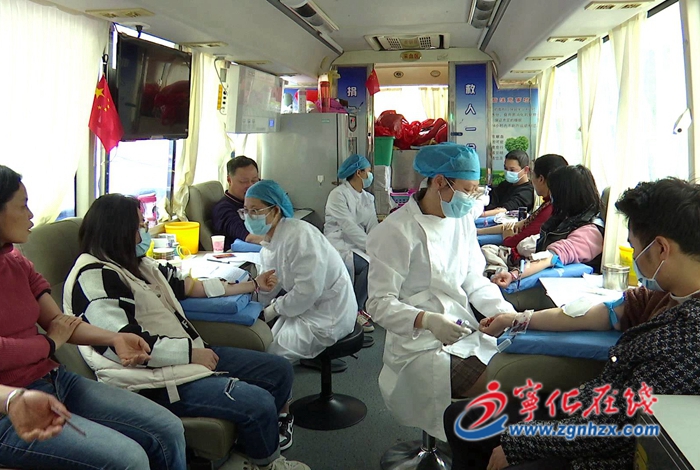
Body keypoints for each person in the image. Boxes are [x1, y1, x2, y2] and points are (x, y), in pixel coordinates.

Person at [444, 177, 700, 469]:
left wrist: (519, 443)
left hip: (616, 445)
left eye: (635, 248)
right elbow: (602, 313)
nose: (634, 259)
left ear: (662, 249)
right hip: (595, 408)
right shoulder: (666, 294)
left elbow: (621, 427)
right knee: (462, 419)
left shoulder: (688, 336)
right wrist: (516, 319)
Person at [63, 194, 308, 470]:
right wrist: (191, 354)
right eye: (140, 226)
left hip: (184, 355)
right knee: (258, 402)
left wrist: (252, 284)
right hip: (151, 381)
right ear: (119, 231)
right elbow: (126, 347)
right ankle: (266, 464)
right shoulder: (96, 277)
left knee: (279, 370)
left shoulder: (138, 265)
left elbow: (189, 286)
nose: (145, 232)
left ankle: (247, 450)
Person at [0, 165, 187, 470]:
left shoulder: (17, 261)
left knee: (168, 428)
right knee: (129, 460)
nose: (31, 215)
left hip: (53, 380)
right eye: (22, 206)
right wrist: (49, 345)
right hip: (9, 410)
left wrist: (114, 338)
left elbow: (60, 324)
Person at [366, 143, 517, 441]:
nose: (471, 199)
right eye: (467, 190)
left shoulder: (461, 221)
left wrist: (504, 313)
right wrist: (427, 320)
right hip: (418, 343)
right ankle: (470, 444)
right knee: (498, 384)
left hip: (462, 328)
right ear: (439, 182)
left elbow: (472, 278)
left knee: (511, 368)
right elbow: (379, 303)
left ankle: (475, 445)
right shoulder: (396, 231)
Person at [244, 180, 356, 363]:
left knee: (273, 356)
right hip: (304, 307)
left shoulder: (300, 236)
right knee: (264, 344)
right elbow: (267, 287)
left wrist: (273, 309)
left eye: (255, 211)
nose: (249, 217)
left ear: (275, 210)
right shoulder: (270, 244)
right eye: (246, 210)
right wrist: (249, 304)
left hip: (329, 314)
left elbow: (308, 290)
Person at [491, 165, 604, 289]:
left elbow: (550, 256)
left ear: (565, 196)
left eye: (553, 192)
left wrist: (514, 275)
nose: (551, 196)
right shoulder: (566, 218)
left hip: (551, 285)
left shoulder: (590, 232)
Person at [324, 154, 379, 334]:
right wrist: (371, 247)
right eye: (368, 171)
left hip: (359, 243)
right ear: (358, 172)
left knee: (379, 262)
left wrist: (379, 245)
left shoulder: (367, 198)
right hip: (339, 242)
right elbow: (348, 227)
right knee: (369, 265)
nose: (370, 175)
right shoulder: (338, 195)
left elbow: (372, 225)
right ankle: (355, 309)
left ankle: (366, 305)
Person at [477, 154, 568, 254]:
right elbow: (516, 225)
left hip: (513, 246)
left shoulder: (549, 209)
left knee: (477, 241)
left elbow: (514, 241)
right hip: (510, 234)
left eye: (532, 175)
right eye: (506, 168)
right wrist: (478, 231)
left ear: (541, 179)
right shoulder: (549, 204)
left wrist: (507, 237)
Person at [212, 155, 264, 248]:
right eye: (244, 182)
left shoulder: (257, 202)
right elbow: (248, 237)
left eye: (254, 181)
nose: (250, 186)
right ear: (229, 180)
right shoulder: (223, 209)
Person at [482, 150, 534, 217]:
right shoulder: (506, 184)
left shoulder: (527, 193)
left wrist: (479, 215)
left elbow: (505, 210)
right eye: (506, 168)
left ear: (525, 170)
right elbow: (492, 197)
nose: (508, 172)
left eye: (512, 170)